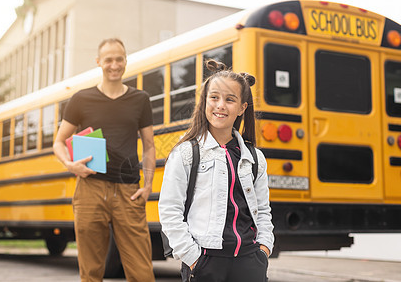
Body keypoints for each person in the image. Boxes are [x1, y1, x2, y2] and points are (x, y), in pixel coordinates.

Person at [158, 60, 274, 282]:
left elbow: (263, 210)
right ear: (204, 103)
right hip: (205, 262)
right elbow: (169, 211)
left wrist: (263, 249)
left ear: (242, 108)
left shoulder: (254, 158)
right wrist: (194, 259)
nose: (220, 105)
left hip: (250, 262)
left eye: (230, 100)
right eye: (214, 98)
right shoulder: (185, 153)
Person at [53, 38, 156, 282]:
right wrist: (70, 165)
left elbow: (149, 146)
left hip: (129, 190)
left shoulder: (140, 100)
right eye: (108, 59)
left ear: (125, 61)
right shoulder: (81, 99)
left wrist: (148, 185)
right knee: (91, 273)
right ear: (99, 62)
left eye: (119, 59)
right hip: (90, 189)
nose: (114, 65)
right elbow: (58, 142)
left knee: (142, 273)